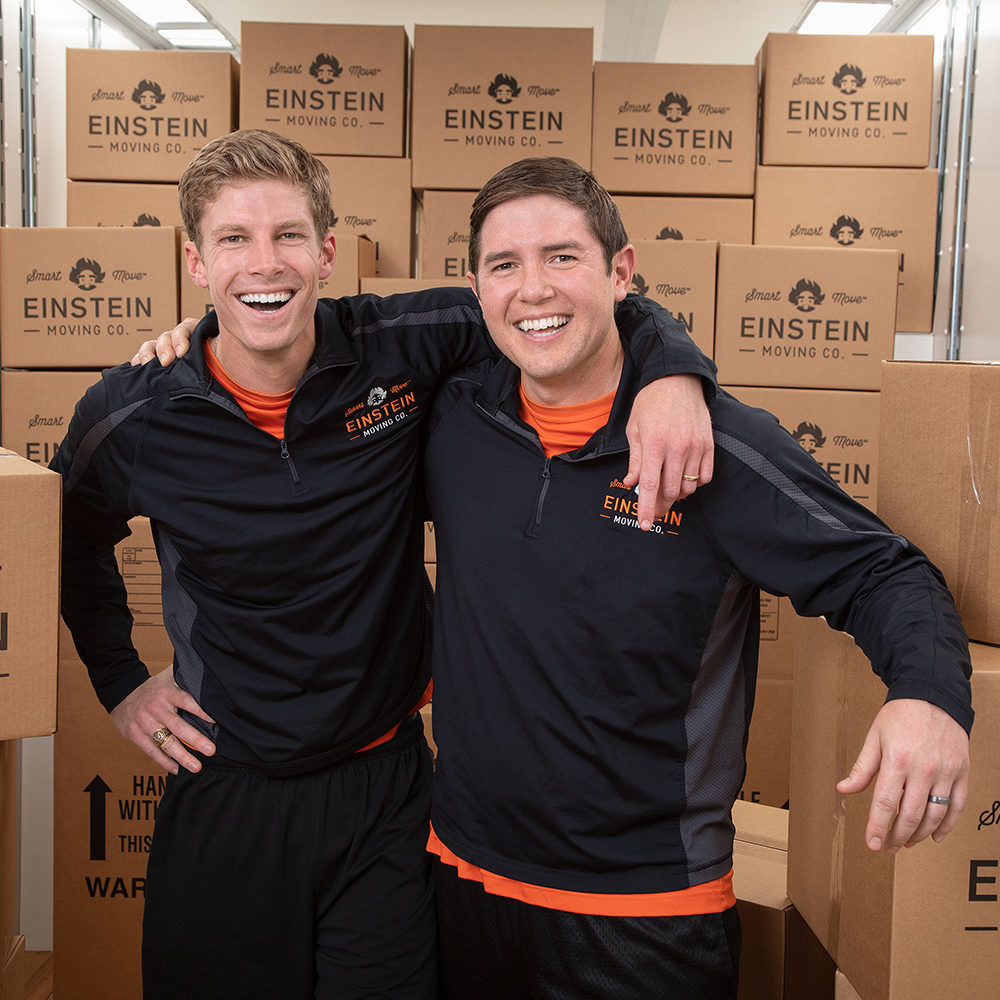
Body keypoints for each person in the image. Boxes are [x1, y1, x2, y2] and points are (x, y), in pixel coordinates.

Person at [52, 131, 716, 1000]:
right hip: (227, 787)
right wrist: (120, 679)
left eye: (289, 235)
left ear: (329, 251)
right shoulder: (134, 413)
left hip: (388, 795)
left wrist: (674, 375)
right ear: (194, 260)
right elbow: (61, 534)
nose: (265, 265)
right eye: (233, 241)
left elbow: (565, 301)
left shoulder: (403, 345)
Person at [415, 158, 971, 998]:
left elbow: (884, 571)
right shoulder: (452, 416)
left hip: (641, 918)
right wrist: (187, 346)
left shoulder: (711, 448)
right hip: (458, 878)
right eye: (505, 264)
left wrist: (928, 696)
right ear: (475, 286)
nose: (533, 288)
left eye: (563, 257)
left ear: (621, 271)